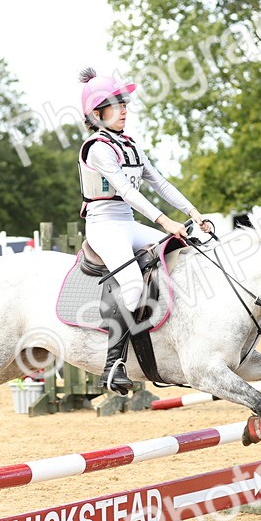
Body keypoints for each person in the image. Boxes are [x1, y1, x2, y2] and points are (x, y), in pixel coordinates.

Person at [77, 67, 212, 394]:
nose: (125, 109)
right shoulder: (97, 148)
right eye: (117, 104)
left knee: (190, 253)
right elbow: (126, 190)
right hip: (104, 225)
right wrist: (165, 222)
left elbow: (159, 182)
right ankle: (113, 364)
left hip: (128, 223)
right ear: (97, 114)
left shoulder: (130, 145)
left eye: (125, 103)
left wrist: (193, 212)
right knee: (133, 283)